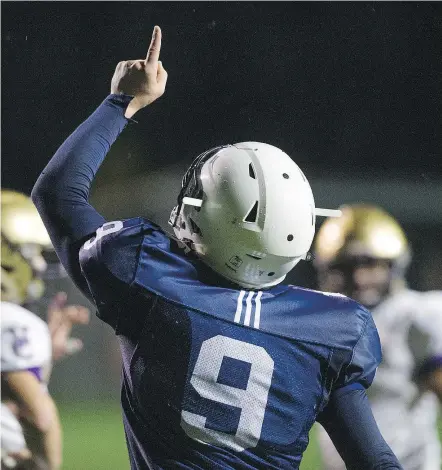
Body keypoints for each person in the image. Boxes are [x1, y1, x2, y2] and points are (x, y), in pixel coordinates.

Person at [31, 26, 403, 469]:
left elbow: (58, 193)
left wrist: (122, 101)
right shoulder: (336, 329)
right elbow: (374, 459)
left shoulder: (145, 278)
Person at [314, 204, 442, 470]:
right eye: (347, 267)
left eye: (369, 265)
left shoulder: (415, 314)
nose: (359, 278)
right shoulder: (317, 320)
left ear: (393, 263)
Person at [1, 189, 90, 469]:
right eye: (31, 253)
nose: (39, 265)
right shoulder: (9, 320)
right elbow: (39, 417)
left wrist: (44, 353)